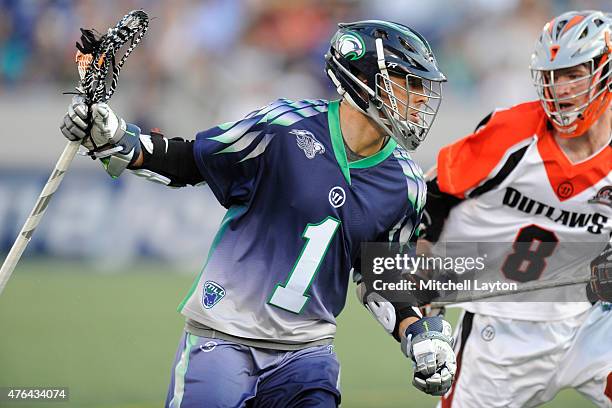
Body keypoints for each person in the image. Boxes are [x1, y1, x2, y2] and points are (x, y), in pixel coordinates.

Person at [60, 20, 457, 407]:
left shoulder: (406, 183)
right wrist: (119, 139)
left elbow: (379, 274)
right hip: (225, 336)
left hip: (308, 352)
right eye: (411, 81)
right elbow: (191, 160)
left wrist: (418, 332)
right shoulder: (283, 128)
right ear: (364, 78)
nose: (421, 98)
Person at [419, 10, 612, 408]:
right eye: (552, 75)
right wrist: (421, 264)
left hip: (593, 324)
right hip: (501, 332)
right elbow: (432, 194)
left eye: (574, 73)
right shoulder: (512, 132)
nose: (560, 89)